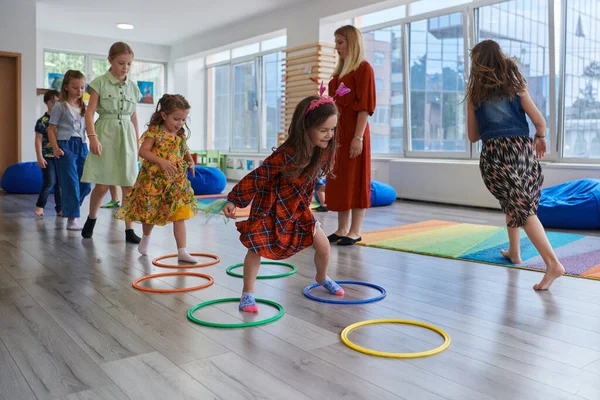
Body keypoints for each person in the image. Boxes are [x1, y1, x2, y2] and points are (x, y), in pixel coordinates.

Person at [223, 95, 346, 313]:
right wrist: (235, 200)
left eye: (332, 129)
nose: (330, 135)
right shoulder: (286, 154)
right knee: (256, 248)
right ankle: (247, 294)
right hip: (271, 207)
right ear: (305, 127)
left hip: (297, 209)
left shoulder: (319, 150)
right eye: (324, 130)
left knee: (324, 246)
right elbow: (258, 176)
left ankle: (322, 277)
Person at [466, 39, 564, 291]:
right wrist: (540, 137)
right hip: (521, 151)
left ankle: (553, 264)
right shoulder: (515, 87)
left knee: (521, 208)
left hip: (496, 154)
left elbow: (473, 136)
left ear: (477, 64)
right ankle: (514, 251)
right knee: (515, 201)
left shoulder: (475, 95)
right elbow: (540, 121)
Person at [115, 95, 198, 260]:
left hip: (175, 181)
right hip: (154, 181)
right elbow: (143, 151)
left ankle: (182, 251)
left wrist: (190, 161)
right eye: (176, 119)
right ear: (164, 115)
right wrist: (161, 162)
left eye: (183, 119)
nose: (180, 123)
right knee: (151, 212)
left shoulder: (179, 133)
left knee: (180, 214)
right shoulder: (155, 131)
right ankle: (146, 238)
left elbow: (184, 149)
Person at [81, 41, 142, 243]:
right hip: (105, 134)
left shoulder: (133, 87)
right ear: (110, 61)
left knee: (128, 185)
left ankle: (129, 229)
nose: (125, 67)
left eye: (129, 64)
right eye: (121, 62)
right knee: (102, 185)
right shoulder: (98, 83)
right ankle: (91, 219)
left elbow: (134, 117)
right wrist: (92, 138)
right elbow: (89, 114)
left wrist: (138, 142)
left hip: (127, 136)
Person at [326, 25, 376, 246]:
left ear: (352, 43)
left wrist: (359, 138)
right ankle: (342, 228)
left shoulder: (364, 70)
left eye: (340, 42)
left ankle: (355, 230)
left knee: (356, 179)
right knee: (339, 181)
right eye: (336, 42)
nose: (336, 47)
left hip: (355, 132)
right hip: (337, 136)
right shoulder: (337, 76)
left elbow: (364, 107)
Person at [47, 70, 91, 230]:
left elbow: (87, 129)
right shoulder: (60, 106)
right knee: (71, 183)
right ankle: (72, 218)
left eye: (82, 87)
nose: (79, 91)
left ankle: (70, 208)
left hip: (82, 146)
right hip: (65, 146)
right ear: (66, 87)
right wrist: (55, 148)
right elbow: (51, 129)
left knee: (86, 183)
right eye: (75, 87)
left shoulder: (84, 107)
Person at [34, 89, 62, 217]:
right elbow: (38, 140)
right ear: (46, 103)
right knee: (49, 181)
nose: (55, 104)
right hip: (47, 156)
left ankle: (60, 209)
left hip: (60, 156)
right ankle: (40, 206)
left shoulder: (62, 120)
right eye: (52, 102)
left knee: (60, 184)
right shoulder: (43, 121)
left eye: (58, 102)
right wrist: (39, 157)